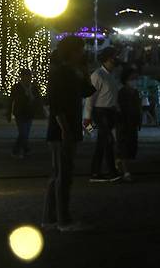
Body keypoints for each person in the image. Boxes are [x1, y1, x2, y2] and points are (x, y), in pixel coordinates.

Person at [42, 37, 96, 232]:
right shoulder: (61, 73)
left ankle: (50, 218)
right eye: (79, 50)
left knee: (58, 175)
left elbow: (88, 91)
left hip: (66, 130)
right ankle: (63, 220)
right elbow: (56, 104)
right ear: (71, 52)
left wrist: (84, 72)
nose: (82, 53)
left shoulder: (71, 73)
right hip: (62, 132)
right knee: (63, 176)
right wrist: (65, 129)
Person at [84, 47, 122, 183]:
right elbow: (90, 98)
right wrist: (87, 119)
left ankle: (96, 172)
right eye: (114, 56)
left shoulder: (110, 75)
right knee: (108, 141)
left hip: (109, 112)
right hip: (101, 112)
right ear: (107, 58)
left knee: (102, 143)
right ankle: (111, 171)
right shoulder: (97, 75)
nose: (116, 59)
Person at [8, 69, 41, 159]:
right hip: (20, 113)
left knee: (24, 132)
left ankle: (21, 150)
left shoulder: (33, 87)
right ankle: (23, 150)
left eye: (29, 76)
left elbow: (38, 99)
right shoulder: (16, 87)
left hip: (29, 113)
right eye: (26, 76)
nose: (28, 78)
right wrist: (9, 114)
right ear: (22, 77)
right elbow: (11, 100)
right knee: (23, 132)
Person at [116, 69, 141, 182]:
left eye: (136, 78)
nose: (135, 81)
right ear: (126, 80)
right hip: (123, 123)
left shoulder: (135, 92)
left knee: (131, 148)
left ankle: (119, 163)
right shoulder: (122, 92)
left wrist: (138, 121)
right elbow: (119, 108)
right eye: (132, 79)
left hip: (132, 124)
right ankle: (126, 171)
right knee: (124, 148)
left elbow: (137, 107)